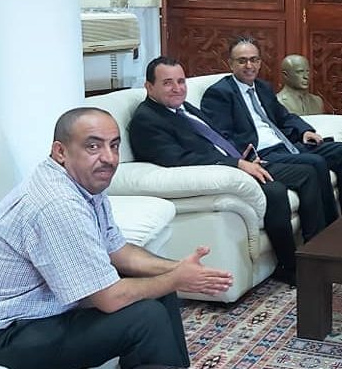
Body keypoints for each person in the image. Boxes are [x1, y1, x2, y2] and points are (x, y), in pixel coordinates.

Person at [0, 107, 232, 369]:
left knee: (157, 286)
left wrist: (177, 269)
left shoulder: (84, 185)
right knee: (145, 318)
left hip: (36, 313)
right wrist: (176, 279)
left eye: (114, 146)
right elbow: (109, 298)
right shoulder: (56, 203)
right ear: (60, 152)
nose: (109, 158)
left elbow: (118, 251)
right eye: (93, 146)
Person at [129, 56, 328, 286]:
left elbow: (216, 136)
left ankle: (318, 251)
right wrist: (235, 164)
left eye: (181, 81)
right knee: (275, 190)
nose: (177, 88)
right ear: (149, 86)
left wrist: (243, 154)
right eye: (168, 83)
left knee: (307, 172)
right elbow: (178, 159)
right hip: (222, 172)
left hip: (240, 161)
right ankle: (289, 267)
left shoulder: (183, 107)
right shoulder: (147, 120)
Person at [201, 38, 342, 222]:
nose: (249, 66)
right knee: (315, 162)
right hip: (263, 153)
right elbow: (221, 136)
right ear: (231, 64)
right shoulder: (219, 94)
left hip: (285, 145)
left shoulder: (262, 87)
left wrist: (304, 131)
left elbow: (284, 117)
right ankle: (330, 227)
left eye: (254, 60)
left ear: (260, 62)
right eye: (242, 61)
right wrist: (245, 157)